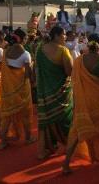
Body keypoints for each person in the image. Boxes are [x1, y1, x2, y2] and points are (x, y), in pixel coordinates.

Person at [62, 34, 99, 174]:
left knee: (76, 133)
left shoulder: (78, 60)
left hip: (82, 103)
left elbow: (74, 79)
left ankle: (66, 164)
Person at [36, 26, 73, 159]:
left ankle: (43, 150)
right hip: (61, 94)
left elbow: (38, 70)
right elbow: (70, 72)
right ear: (56, 35)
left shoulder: (40, 49)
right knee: (66, 119)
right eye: (63, 34)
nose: (65, 37)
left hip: (44, 93)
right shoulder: (63, 51)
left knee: (45, 122)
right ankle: (68, 146)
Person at [0, 29, 36, 149]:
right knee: (25, 114)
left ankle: (3, 141)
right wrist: (31, 66)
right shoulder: (26, 54)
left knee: (7, 116)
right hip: (22, 90)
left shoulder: (5, 51)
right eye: (25, 38)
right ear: (21, 39)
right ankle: (28, 137)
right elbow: (27, 75)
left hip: (7, 90)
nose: (26, 41)